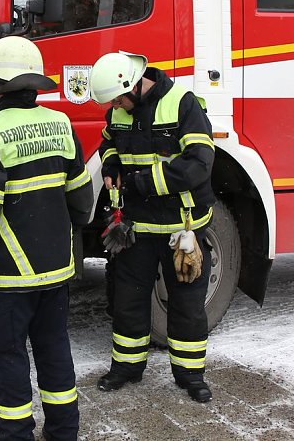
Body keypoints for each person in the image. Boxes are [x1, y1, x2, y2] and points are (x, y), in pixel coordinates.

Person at [0, 36, 93, 441]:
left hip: (8, 277)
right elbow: (82, 203)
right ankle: (64, 432)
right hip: (56, 270)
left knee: (7, 357)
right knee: (54, 351)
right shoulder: (61, 124)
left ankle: (16, 435)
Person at [89, 51, 216, 403]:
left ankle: (190, 374)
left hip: (182, 228)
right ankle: (127, 367)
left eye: (117, 98)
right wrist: (112, 166)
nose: (115, 105)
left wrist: (141, 183)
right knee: (128, 300)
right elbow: (108, 142)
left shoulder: (182, 104)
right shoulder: (119, 108)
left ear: (131, 85)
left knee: (187, 304)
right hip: (136, 228)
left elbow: (199, 165)